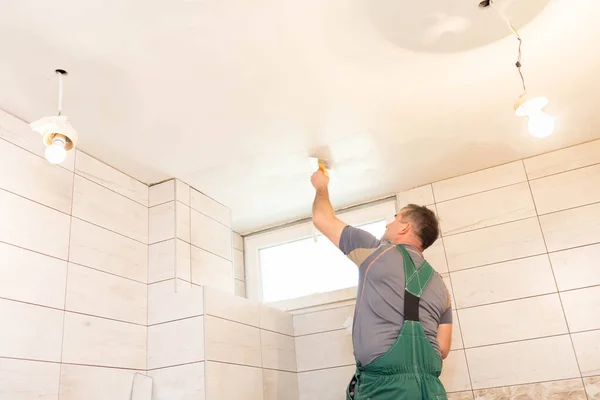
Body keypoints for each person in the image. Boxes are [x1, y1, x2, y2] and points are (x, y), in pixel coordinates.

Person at [311, 168, 452, 400]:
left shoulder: (376, 252)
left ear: (405, 228)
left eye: (395, 219)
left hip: (385, 390)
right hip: (431, 391)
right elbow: (443, 348)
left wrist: (321, 186)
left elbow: (322, 218)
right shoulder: (440, 285)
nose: (388, 224)